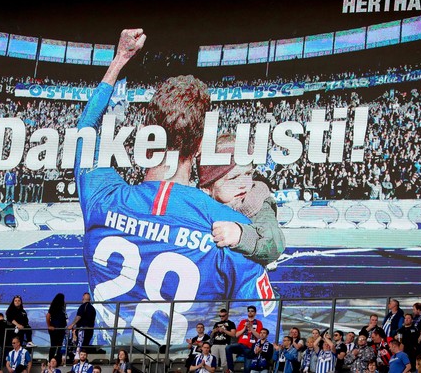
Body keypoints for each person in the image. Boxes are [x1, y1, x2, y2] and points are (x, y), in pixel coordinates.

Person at [73, 28, 277, 346]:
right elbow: (265, 329)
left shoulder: (101, 196)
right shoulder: (232, 231)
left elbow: (86, 130)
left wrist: (120, 60)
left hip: (108, 360)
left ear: (146, 133)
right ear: (199, 147)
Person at [196, 134, 285, 266]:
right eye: (234, 178)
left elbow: (275, 242)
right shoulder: (196, 204)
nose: (244, 183)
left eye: (248, 174)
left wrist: (241, 235)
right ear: (207, 187)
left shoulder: (255, 201)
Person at [225, 306, 263, 373]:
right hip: (241, 345)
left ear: (255, 313)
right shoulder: (243, 321)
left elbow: (259, 336)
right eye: (249, 311)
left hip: (250, 347)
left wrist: (251, 328)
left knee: (247, 369)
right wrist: (244, 328)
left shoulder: (259, 322)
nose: (250, 312)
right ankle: (231, 369)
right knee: (228, 347)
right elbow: (236, 335)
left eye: (252, 311)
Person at [46, 294, 67, 364]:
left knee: (59, 346)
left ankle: (57, 361)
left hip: (61, 329)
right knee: (54, 345)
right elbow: (48, 316)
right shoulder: (54, 306)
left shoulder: (63, 307)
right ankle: (51, 361)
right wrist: (49, 326)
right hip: (55, 329)